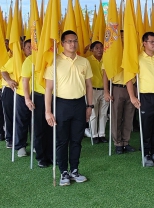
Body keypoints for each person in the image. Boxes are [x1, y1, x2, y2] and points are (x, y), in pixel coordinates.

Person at [45, 30, 94, 186]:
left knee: (76, 140)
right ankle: (63, 172)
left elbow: (89, 85)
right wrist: (48, 111)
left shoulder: (84, 61)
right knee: (62, 141)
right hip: (61, 104)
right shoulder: (54, 61)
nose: (72, 44)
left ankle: (74, 170)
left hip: (79, 104)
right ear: (62, 43)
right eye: (69, 41)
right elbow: (48, 89)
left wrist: (89, 105)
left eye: (75, 41)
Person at [127, 32, 154, 167]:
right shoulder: (138, 58)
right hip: (145, 97)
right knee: (146, 126)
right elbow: (129, 78)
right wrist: (132, 97)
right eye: (152, 42)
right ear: (144, 43)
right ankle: (145, 154)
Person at [21, 43, 53, 167]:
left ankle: (51, 155)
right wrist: (27, 98)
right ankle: (41, 157)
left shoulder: (52, 57)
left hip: (54, 96)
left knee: (52, 127)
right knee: (40, 129)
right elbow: (25, 80)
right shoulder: (30, 60)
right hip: (39, 97)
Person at [1, 39, 32, 156]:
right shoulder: (16, 60)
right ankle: (15, 143)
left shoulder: (37, 60)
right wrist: (9, 80)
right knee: (16, 118)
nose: (30, 50)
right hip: (17, 92)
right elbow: (3, 70)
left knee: (34, 121)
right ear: (23, 49)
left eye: (32, 47)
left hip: (35, 93)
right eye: (28, 47)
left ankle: (35, 144)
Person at [87, 41, 109, 144]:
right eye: (96, 48)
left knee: (103, 114)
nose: (100, 49)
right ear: (91, 50)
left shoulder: (107, 60)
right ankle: (94, 135)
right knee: (93, 113)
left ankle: (102, 134)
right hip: (93, 91)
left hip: (105, 90)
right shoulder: (87, 61)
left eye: (101, 47)